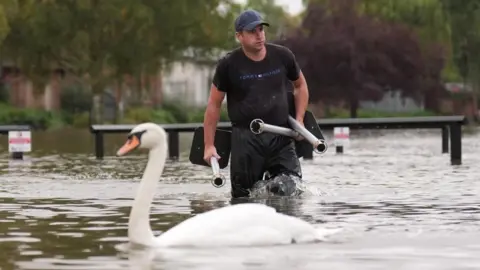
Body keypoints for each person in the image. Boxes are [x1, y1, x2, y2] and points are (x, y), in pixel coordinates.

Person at [203, 9, 310, 198]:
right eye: (252, 31)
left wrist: (300, 119)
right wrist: (209, 145)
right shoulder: (228, 65)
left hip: (281, 136)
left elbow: (300, 85)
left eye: (261, 29)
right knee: (243, 199)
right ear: (239, 36)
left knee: (291, 190)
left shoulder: (283, 56)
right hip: (246, 141)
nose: (259, 35)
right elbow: (214, 104)